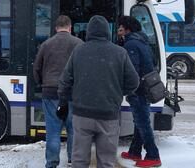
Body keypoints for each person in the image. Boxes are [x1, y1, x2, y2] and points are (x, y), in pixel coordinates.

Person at [57, 15, 139, 168]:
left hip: (82, 115)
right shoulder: (120, 53)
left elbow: (64, 81)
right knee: (106, 161)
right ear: (107, 32)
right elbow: (134, 82)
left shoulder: (79, 51)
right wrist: (117, 93)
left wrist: (63, 102)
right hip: (108, 116)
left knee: (79, 160)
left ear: (89, 32)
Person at [33, 15, 83, 168]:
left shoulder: (46, 44)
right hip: (73, 93)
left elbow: (37, 68)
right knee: (73, 130)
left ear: (56, 28)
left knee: (53, 131)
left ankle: (52, 163)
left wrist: (42, 83)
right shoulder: (79, 44)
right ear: (70, 28)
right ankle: (72, 160)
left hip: (51, 93)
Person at [118, 16, 162, 167]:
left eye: (120, 26)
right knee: (140, 121)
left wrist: (127, 89)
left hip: (138, 89)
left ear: (127, 28)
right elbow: (153, 63)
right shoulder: (143, 41)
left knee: (142, 123)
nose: (118, 29)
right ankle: (135, 152)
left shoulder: (131, 44)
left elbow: (132, 70)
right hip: (147, 87)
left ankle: (153, 156)